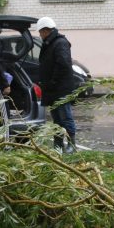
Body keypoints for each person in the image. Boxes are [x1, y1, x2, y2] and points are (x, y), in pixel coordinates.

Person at [35, 17, 78, 153]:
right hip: (52, 89)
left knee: (65, 117)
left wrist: (53, 81)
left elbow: (63, 65)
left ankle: (72, 145)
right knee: (57, 120)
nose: (40, 35)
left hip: (60, 89)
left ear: (46, 30)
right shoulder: (49, 43)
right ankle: (58, 145)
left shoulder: (60, 43)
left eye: (40, 32)